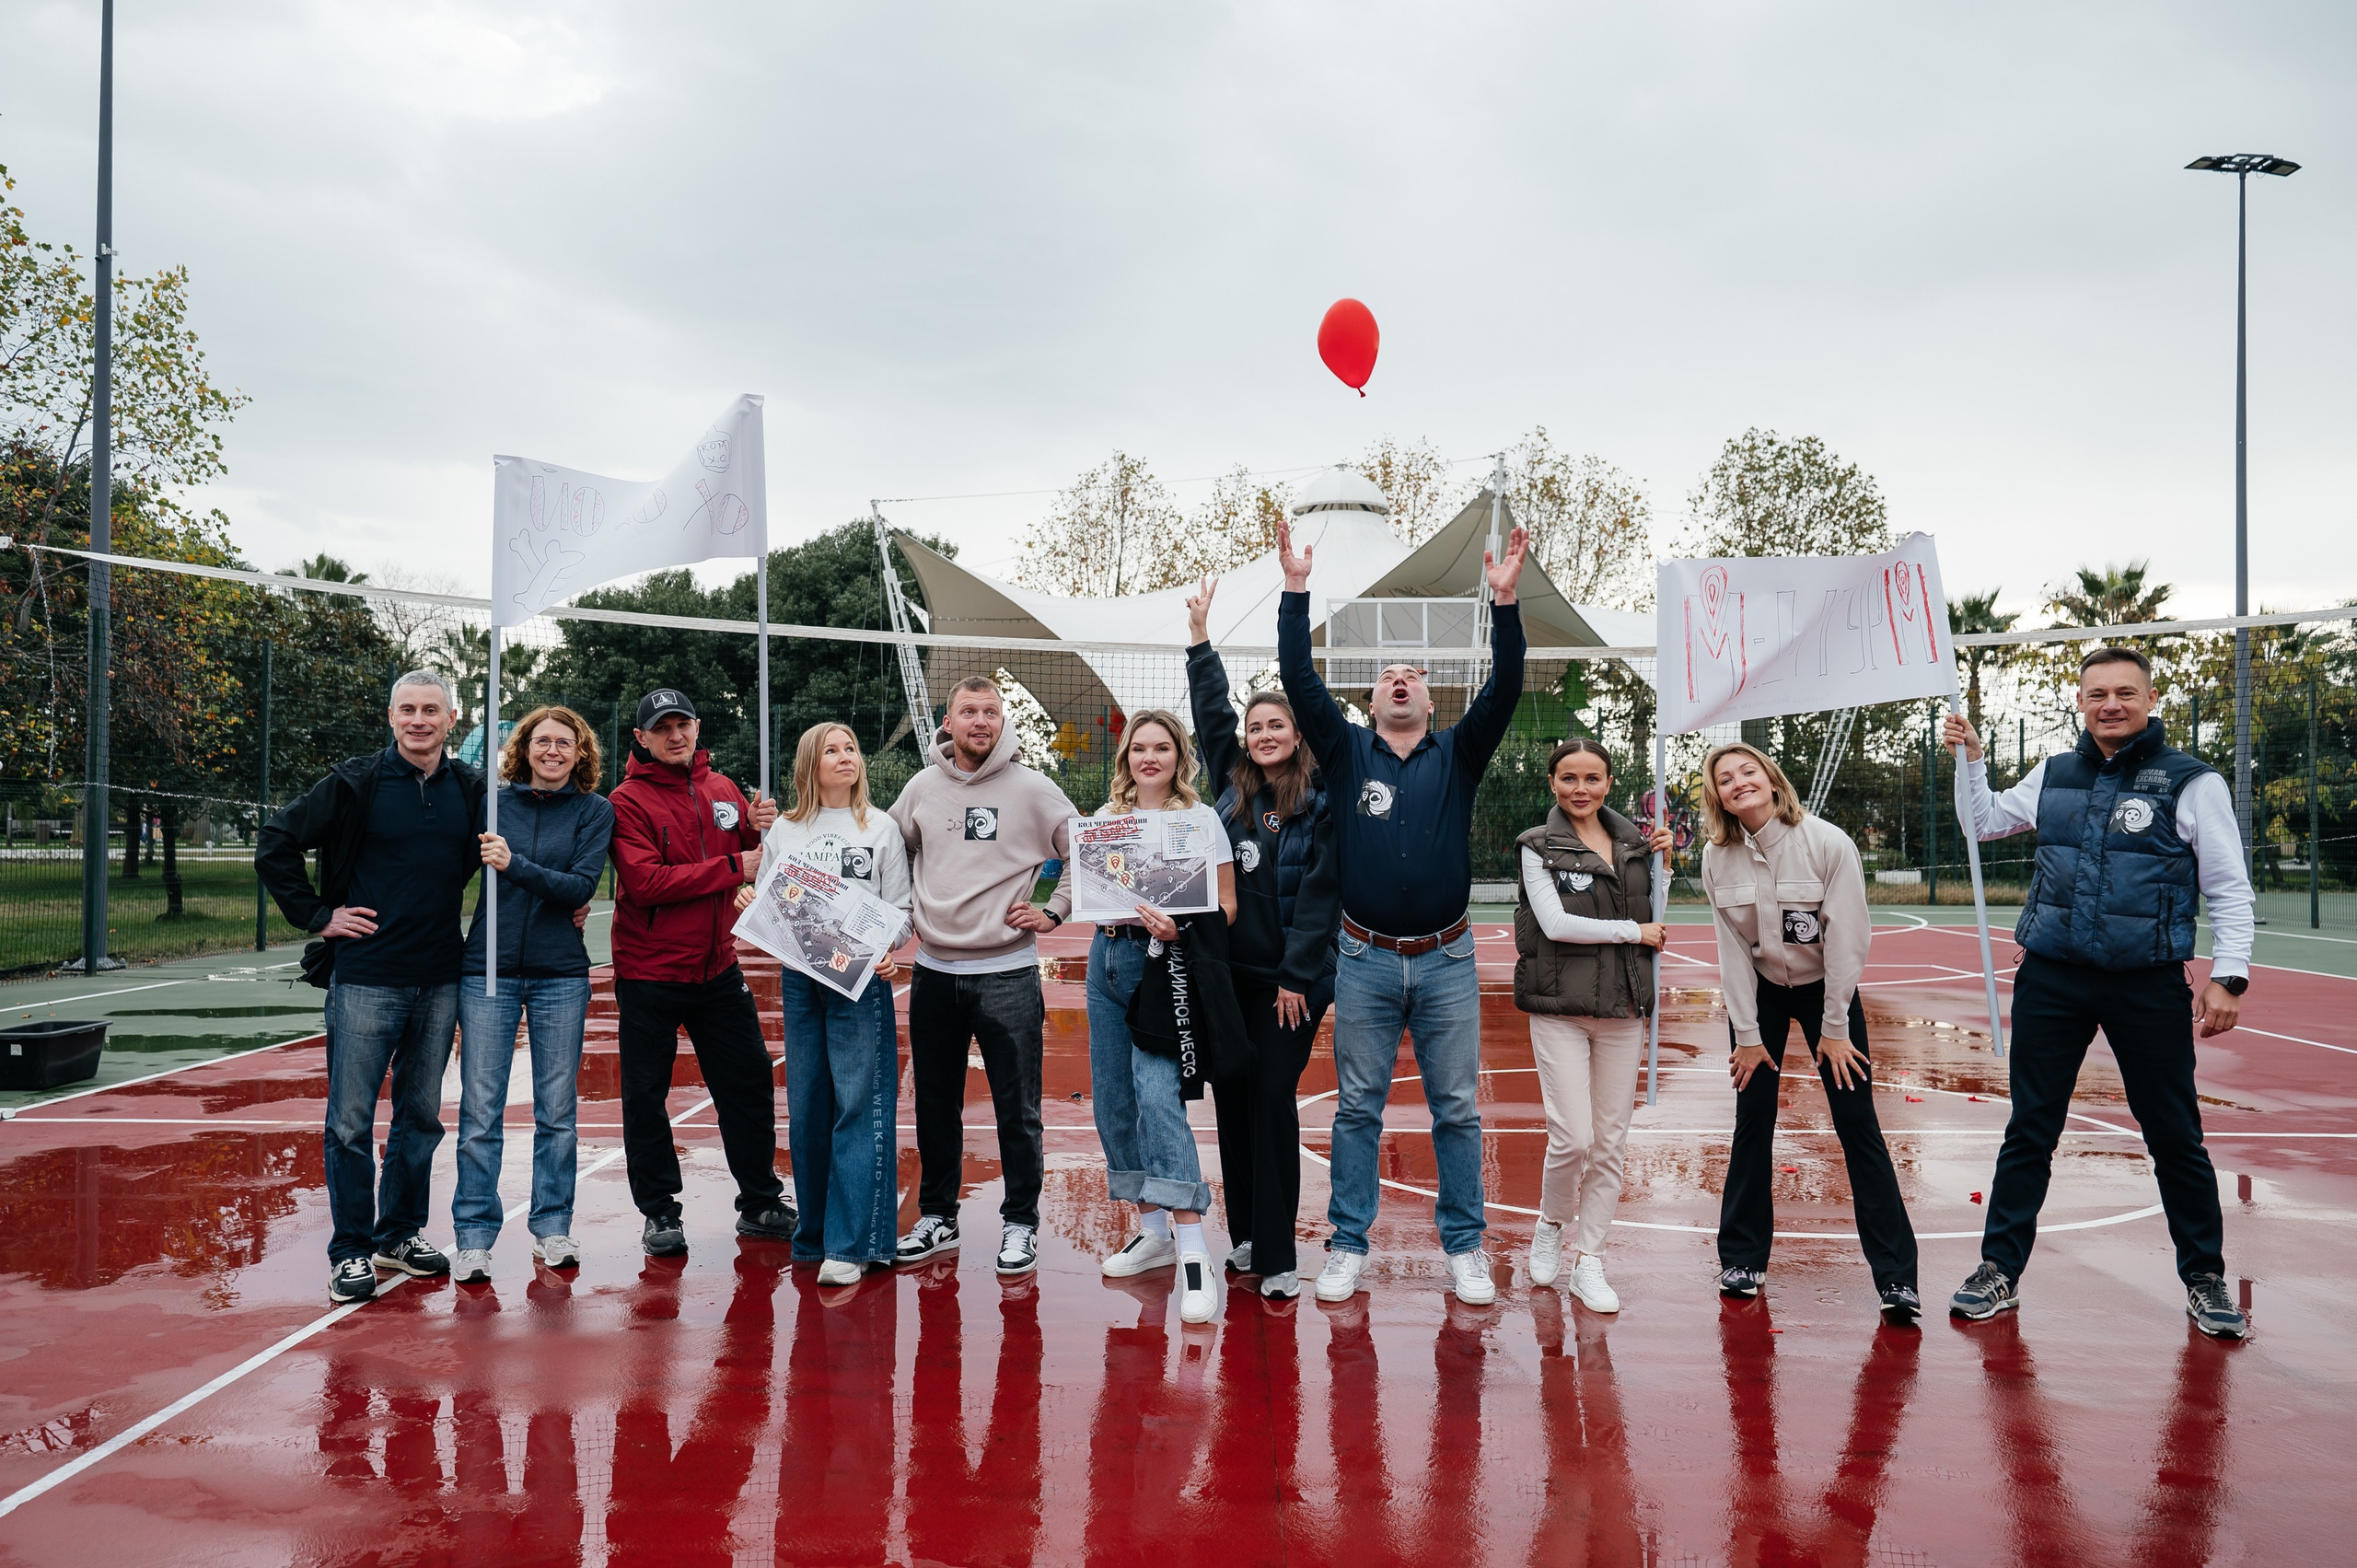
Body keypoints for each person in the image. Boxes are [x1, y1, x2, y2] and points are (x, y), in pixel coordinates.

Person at [1942, 646, 2253, 1338]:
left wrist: (2230, 977)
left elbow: (2230, 886)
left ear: (2149, 698)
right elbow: (1983, 822)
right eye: (2097, 693)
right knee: (2031, 1127)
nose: (2111, 704)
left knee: (2175, 1135)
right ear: (2080, 701)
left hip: (2146, 982)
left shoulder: (2191, 781)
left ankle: (2205, 1277)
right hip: (2053, 976)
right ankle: (2000, 1269)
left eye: (2125, 692)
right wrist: (1972, 761)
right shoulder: (2053, 772)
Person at [1275, 512, 1531, 1307]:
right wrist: (1294, 592)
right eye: (1387, 672)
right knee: (1358, 1107)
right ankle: (1348, 1241)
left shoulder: (1459, 751)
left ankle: (1464, 1245)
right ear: (1372, 694)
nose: (1399, 678)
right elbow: (1298, 681)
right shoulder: (1347, 750)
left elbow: (1509, 684)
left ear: (1429, 694)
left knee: (1456, 1108)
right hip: (1364, 957)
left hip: (1449, 958)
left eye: (1412, 673)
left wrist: (1507, 605)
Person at [258, 669, 486, 1305]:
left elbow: (517, 844)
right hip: (365, 978)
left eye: (431, 710)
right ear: (391, 717)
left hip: (439, 978)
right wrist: (318, 914)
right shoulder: (355, 782)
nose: (419, 720)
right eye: (408, 709)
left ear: (450, 718)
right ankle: (351, 1249)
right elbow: (275, 841)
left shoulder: (471, 789)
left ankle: (400, 1233)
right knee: (352, 1121)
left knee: (419, 1117)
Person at [1700, 742, 1920, 1322]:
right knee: (1753, 1122)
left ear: (1773, 780)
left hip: (1829, 991)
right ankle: (1743, 1260)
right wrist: (1747, 1035)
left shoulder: (1827, 843)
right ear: (1717, 796)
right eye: (1725, 779)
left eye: (1749, 771)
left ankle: (1897, 1279)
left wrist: (1836, 1028)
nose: (1738, 782)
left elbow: (1848, 941)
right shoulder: (1716, 857)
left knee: (1857, 1125)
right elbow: (1730, 953)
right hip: (1762, 992)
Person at [1183, 575, 1341, 1301]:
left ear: (1298, 734)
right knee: (1234, 1101)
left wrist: (1296, 978)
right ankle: (1245, 1235)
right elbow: (1210, 712)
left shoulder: (1318, 803)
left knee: (1273, 1099)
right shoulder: (1230, 785)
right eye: (1256, 728)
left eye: (1276, 725)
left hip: (1288, 986)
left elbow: (1319, 900)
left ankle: (1280, 1253)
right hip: (1230, 978)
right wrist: (1199, 640)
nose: (1263, 735)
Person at [889, 676, 1074, 1276]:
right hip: (935, 973)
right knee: (935, 1106)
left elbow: (1079, 851)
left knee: (1016, 1110)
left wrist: (1052, 905)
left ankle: (1020, 1222)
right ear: (948, 721)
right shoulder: (920, 787)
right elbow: (887, 849)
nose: (980, 721)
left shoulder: (1034, 789)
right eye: (968, 711)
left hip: (1009, 974)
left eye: (990, 711)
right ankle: (937, 1216)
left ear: (1003, 721)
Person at [608, 686, 789, 1256]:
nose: (675, 734)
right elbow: (647, 881)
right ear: (641, 738)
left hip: (718, 969)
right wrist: (735, 863)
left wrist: (765, 827)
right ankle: (660, 1213)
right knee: (645, 1097)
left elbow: (760, 859)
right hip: (650, 972)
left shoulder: (723, 788)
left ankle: (760, 1202)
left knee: (750, 1083)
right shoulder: (626, 801)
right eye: (662, 728)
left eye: (682, 724)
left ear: (697, 727)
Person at [741, 722, 912, 1287]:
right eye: (832, 750)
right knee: (810, 1104)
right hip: (801, 980)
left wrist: (887, 951)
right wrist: (750, 897)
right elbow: (769, 904)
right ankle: (813, 1235)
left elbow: (901, 914)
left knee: (858, 1105)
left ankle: (854, 1242)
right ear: (810, 765)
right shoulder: (785, 830)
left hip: (859, 983)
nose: (846, 757)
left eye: (852, 748)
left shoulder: (882, 828)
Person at [1084, 708, 1237, 1325]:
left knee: (1158, 1098)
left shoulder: (1201, 821)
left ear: (1179, 757)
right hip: (1107, 960)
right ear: (1126, 758)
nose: (1150, 757)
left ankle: (1194, 1246)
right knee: (1114, 1100)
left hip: (1165, 964)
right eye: (1139, 748)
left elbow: (1225, 905)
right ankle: (1152, 1233)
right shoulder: (1102, 820)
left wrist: (1182, 927)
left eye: (1162, 748)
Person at [449, 704, 613, 1283]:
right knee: (480, 1109)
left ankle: (552, 1227)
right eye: (542, 741)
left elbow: (577, 888)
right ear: (524, 748)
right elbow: (446, 870)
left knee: (557, 1112)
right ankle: (472, 1236)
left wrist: (513, 864)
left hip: (559, 975)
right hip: (486, 970)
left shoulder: (596, 812)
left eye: (564, 743)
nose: (552, 751)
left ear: (580, 752)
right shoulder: (492, 806)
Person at [1512, 738, 1676, 1312]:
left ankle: (1591, 1260)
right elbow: (1555, 924)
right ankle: (1552, 1223)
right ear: (1552, 783)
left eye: (1593, 778)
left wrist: (1666, 866)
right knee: (1573, 1137)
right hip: (1560, 1009)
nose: (1581, 788)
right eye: (1569, 778)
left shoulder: (1635, 842)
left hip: (1623, 1009)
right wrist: (1633, 933)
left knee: (1610, 1143)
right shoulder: (1537, 846)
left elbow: (1656, 912)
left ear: (1609, 782)